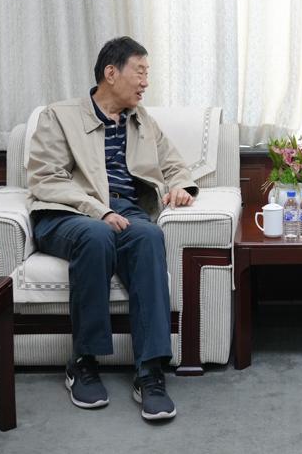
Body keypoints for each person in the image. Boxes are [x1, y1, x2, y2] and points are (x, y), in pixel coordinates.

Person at [27, 36, 197, 421]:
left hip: (124, 212)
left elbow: (174, 164)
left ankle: (149, 370)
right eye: (140, 72)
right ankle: (83, 361)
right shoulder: (59, 116)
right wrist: (97, 210)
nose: (145, 82)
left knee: (149, 236)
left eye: (147, 74)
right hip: (66, 213)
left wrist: (181, 188)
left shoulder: (142, 120)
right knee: (97, 234)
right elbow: (46, 179)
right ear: (111, 73)